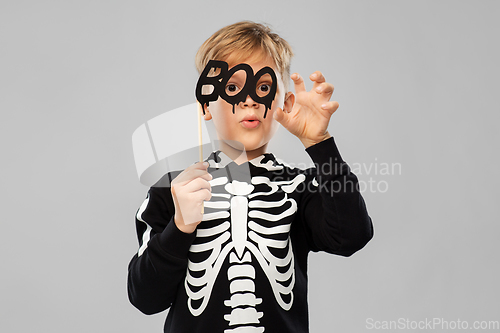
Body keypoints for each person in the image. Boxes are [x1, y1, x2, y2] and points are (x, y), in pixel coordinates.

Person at [128, 21, 373, 333]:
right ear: (206, 103)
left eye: (264, 88)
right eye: (232, 88)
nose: (249, 100)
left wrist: (319, 144)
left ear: (285, 105)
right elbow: (145, 297)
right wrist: (180, 226)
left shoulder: (299, 187)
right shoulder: (174, 189)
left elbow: (353, 235)